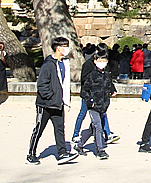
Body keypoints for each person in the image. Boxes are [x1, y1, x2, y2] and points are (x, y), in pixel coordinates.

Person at [27, 37, 78, 165]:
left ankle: (62, 153)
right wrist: (50, 96)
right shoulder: (48, 64)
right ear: (58, 48)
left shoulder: (64, 63)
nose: (67, 48)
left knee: (60, 129)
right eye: (64, 46)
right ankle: (31, 154)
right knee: (39, 129)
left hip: (58, 103)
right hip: (45, 104)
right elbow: (42, 84)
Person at [72, 42, 118, 145]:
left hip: (100, 96)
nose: (102, 60)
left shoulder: (104, 66)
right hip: (89, 95)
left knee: (102, 115)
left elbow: (108, 79)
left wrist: (112, 89)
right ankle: (76, 134)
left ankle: (107, 133)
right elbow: (84, 81)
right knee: (83, 113)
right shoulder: (88, 65)